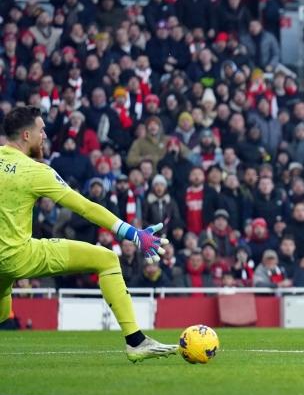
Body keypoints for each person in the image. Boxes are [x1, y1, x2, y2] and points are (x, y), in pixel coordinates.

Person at [0, 106, 175, 362]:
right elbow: (85, 207)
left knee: (3, 316)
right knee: (106, 259)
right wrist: (132, 233)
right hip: (17, 255)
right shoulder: (35, 172)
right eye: (42, 130)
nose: (45, 136)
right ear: (27, 136)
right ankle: (136, 342)